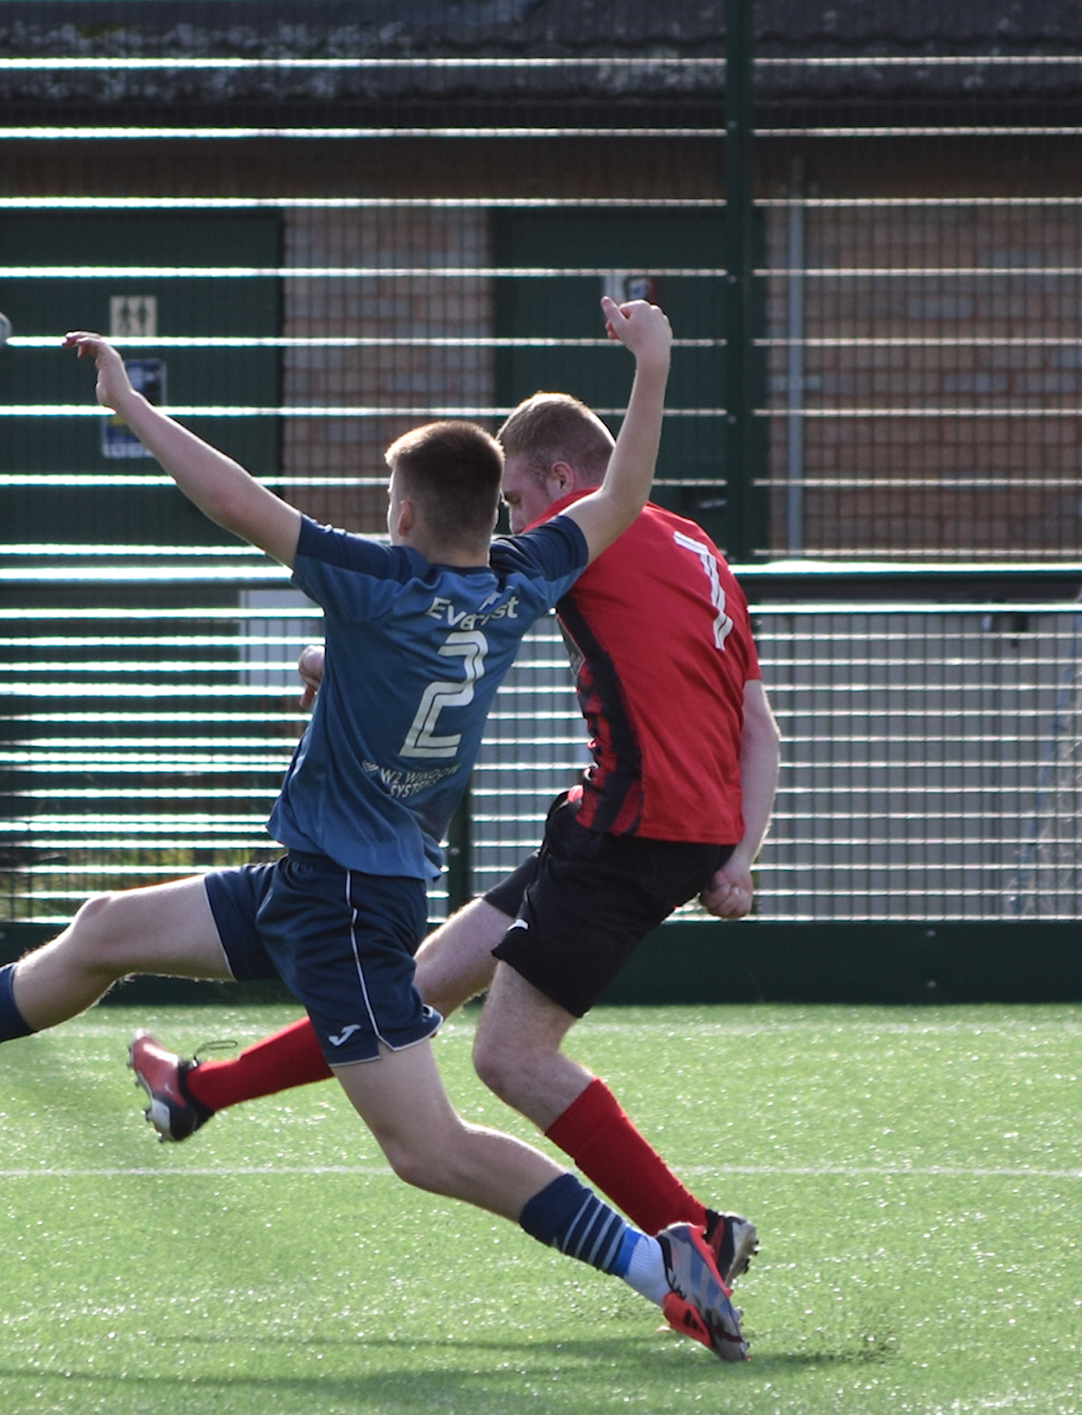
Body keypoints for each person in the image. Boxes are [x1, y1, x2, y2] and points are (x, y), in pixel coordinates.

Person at [0, 297, 749, 1363]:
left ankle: (660, 1263)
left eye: (388, 500)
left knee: (428, 1148)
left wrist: (130, 406)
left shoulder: (376, 582)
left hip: (346, 904)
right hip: (314, 884)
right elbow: (623, 490)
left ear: (405, 513)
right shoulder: (520, 579)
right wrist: (653, 364)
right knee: (105, 927)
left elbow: (232, 497)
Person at [133, 390, 780, 1288]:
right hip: (646, 825)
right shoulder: (694, 544)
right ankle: (197, 1091)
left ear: (562, 479)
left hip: (629, 833)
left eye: (513, 500)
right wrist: (739, 856)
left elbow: (442, 623)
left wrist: (337, 665)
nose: (504, 523)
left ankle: (694, 1234)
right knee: (419, 984)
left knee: (509, 1056)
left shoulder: (580, 539)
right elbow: (759, 725)